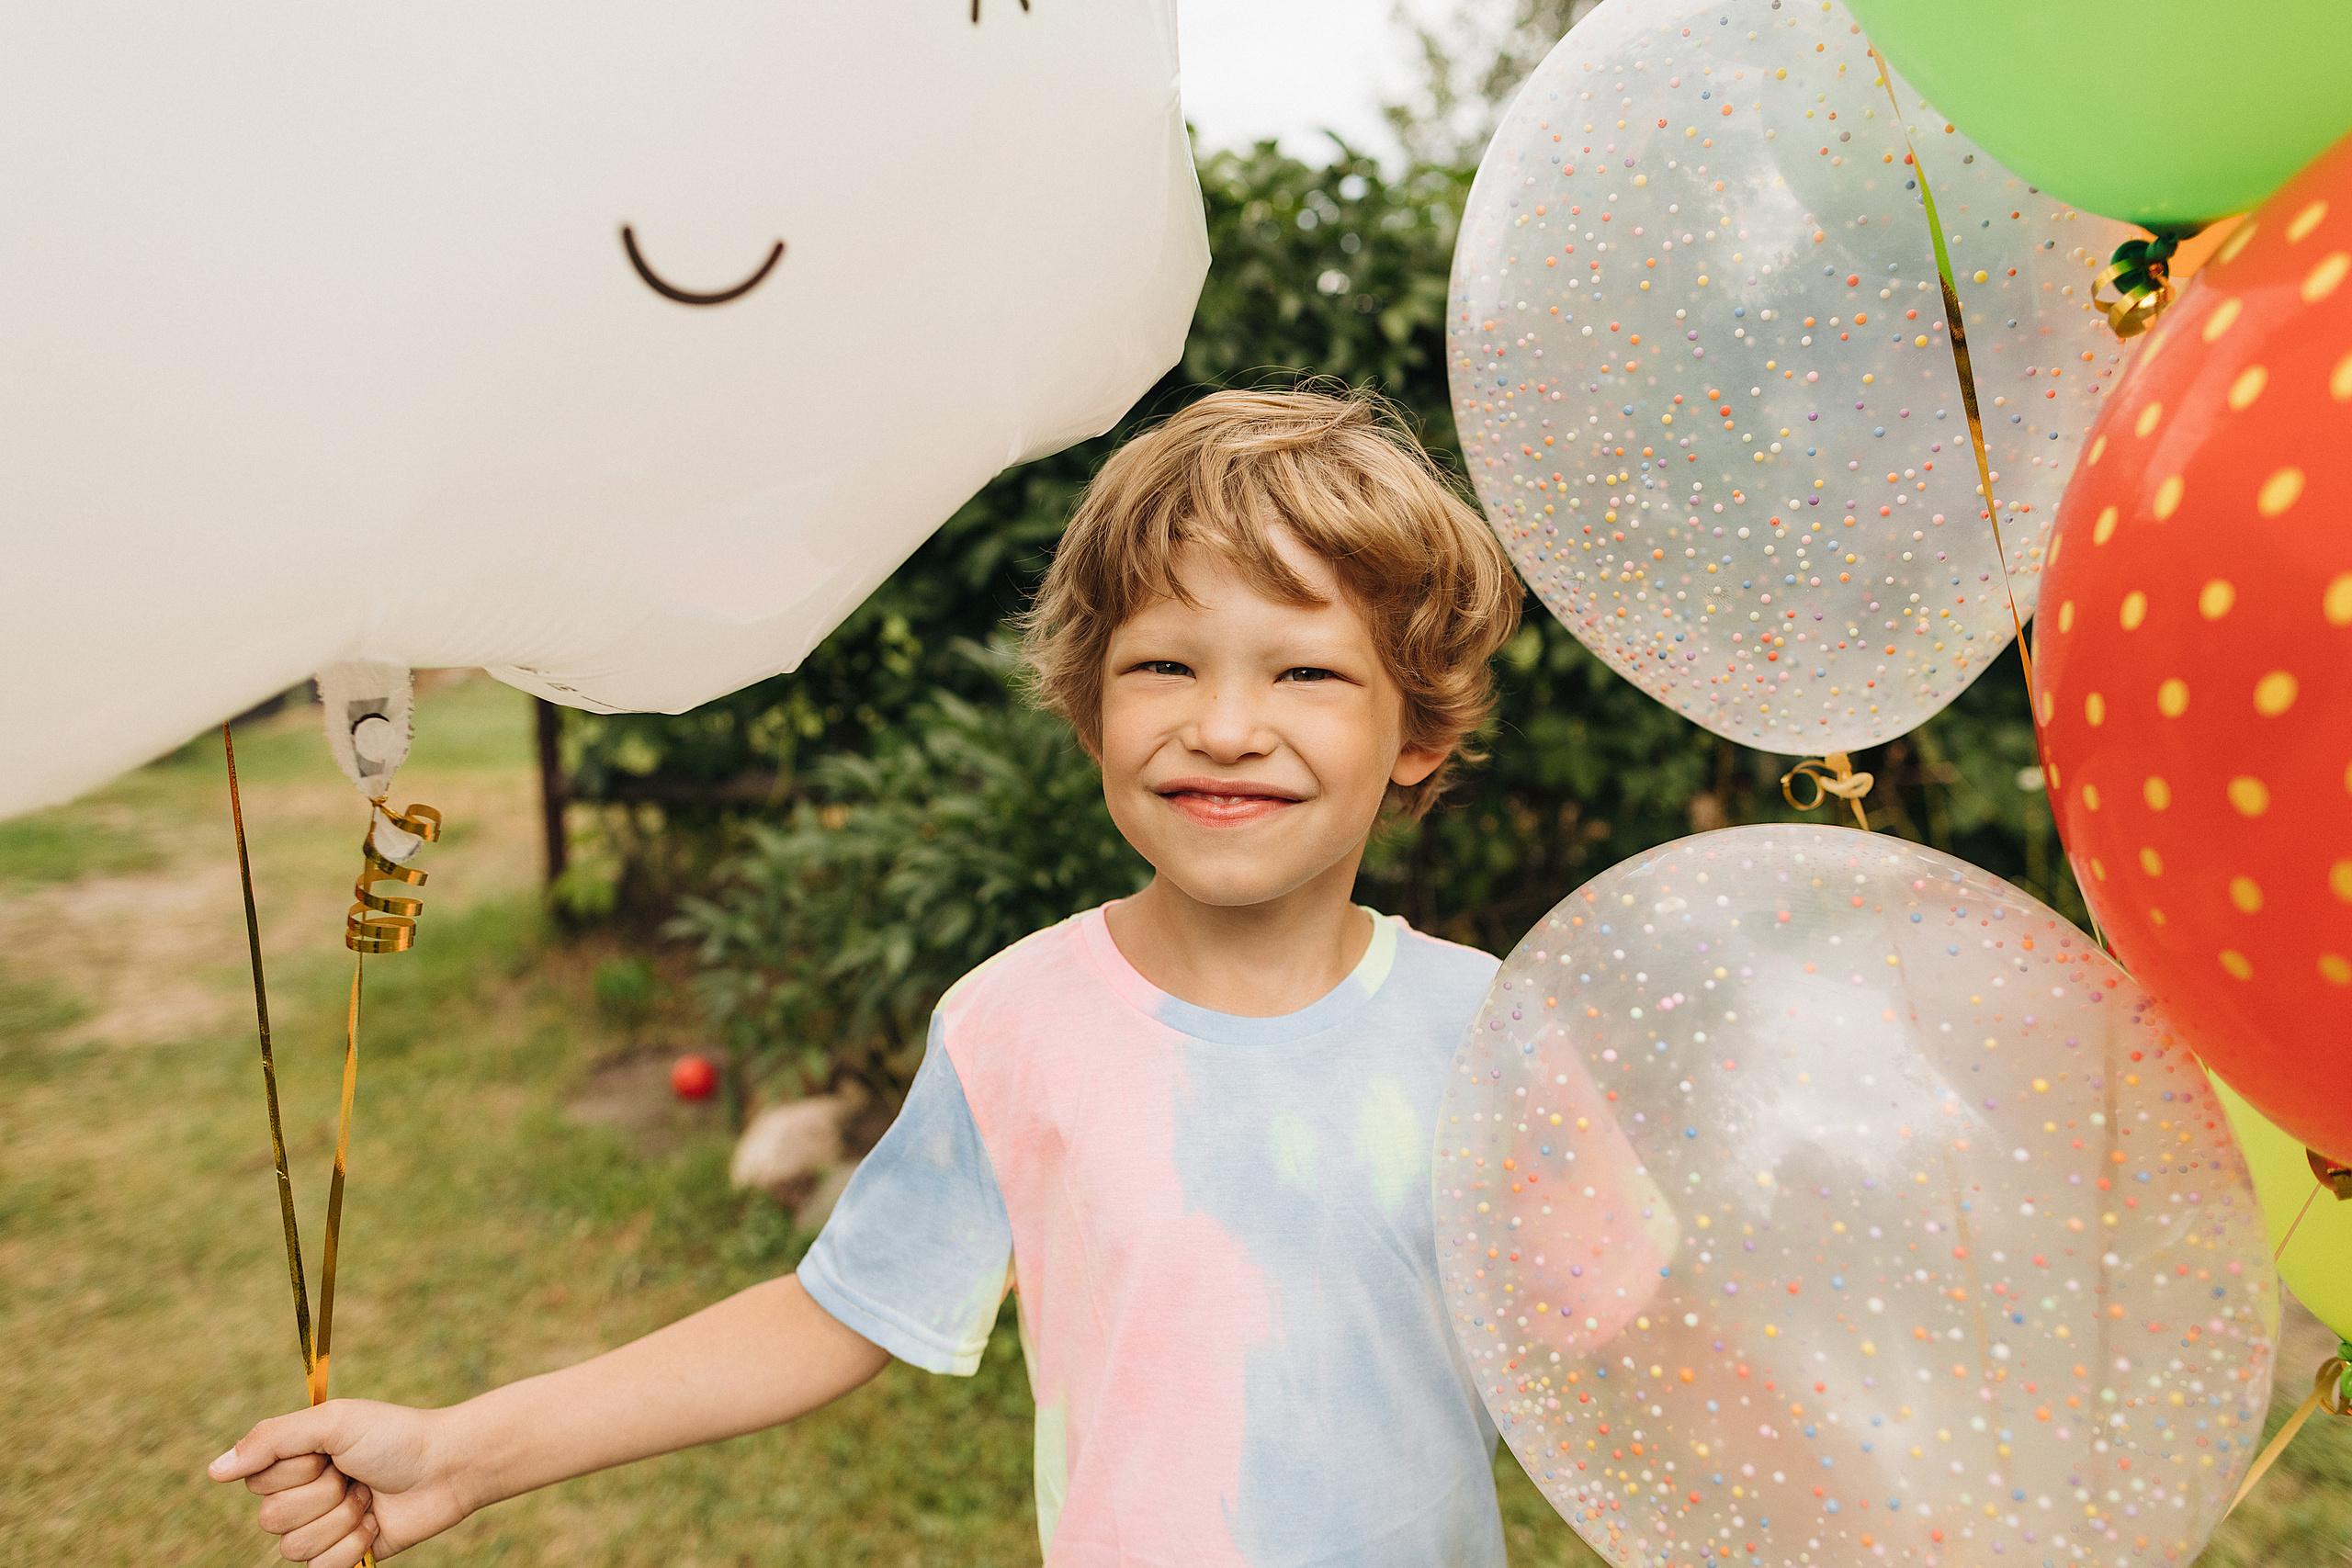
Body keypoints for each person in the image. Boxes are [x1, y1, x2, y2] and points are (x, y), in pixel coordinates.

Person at [209, 387, 1525, 1566]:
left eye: (1307, 672)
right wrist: (458, 1456)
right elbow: (832, 1314)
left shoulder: (1492, 1030)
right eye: (1164, 665)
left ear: (1419, 729)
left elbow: (1612, 1339)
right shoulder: (1019, 1024)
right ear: (1091, 706)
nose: (1225, 727)